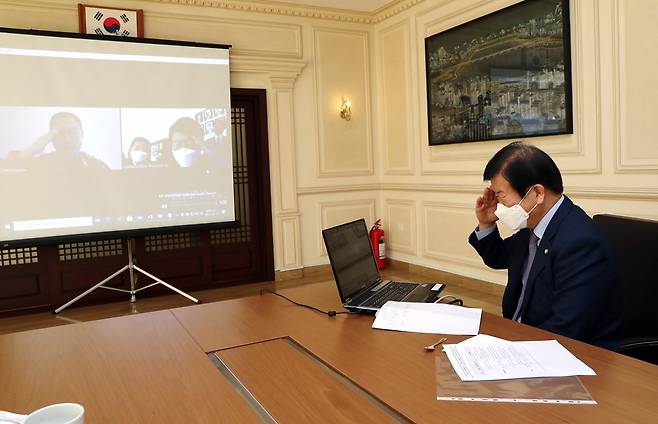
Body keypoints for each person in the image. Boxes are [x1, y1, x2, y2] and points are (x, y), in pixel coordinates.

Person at [468, 142, 622, 350]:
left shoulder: (581, 242)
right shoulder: (533, 227)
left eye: (501, 195)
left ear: (537, 193)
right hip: (521, 336)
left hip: (566, 353)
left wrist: (510, 349)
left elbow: (566, 329)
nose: (499, 205)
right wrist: (486, 223)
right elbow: (498, 257)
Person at [22, 111, 110, 172]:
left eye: (72, 132)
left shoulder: (97, 166)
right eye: (59, 133)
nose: (67, 139)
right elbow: (11, 170)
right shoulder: (40, 165)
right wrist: (37, 146)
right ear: (51, 138)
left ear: (82, 134)